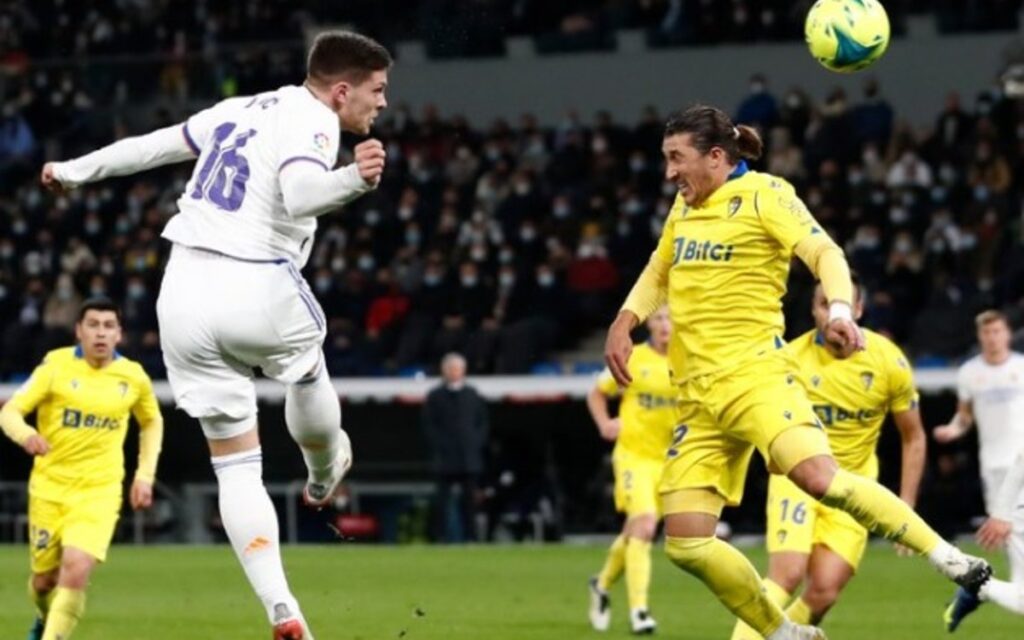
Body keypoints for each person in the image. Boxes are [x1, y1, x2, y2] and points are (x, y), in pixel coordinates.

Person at [39, 31, 392, 640]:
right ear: (341, 91)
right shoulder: (315, 121)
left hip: (181, 294)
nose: (382, 104)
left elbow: (150, 148)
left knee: (235, 467)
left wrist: (74, 171)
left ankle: (281, 607)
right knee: (307, 363)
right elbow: (302, 193)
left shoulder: (240, 109)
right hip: (254, 280)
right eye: (377, 90)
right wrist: (354, 179)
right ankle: (321, 470)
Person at [602, 104, 991, 640]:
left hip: (754, 376)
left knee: (816, 477)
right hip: (696, 397)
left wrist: (835, 309)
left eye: (677, 159)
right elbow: (658, 269)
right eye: (666, 159)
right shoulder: (685, 204)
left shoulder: (768, 195)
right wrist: (625, 321)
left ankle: (947, 557)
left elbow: (824, 251)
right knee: (686, 544)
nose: (669, 172)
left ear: (716, 157)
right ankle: (783, 633)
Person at [731, 276, 927, 638]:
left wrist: (906, 503)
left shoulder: (888, 361)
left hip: (855, 484)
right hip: (797, 477)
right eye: (823, 304)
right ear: (814, 310)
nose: (832, 314)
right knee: (787, 573)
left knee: (823, 591)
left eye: (841, 305)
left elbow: (913, 436)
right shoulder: (789, 359)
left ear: (858, 310)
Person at [0, 298, 163, 640]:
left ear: (119, 334)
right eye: (93, 325)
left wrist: (144, 475)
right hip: (49, 489)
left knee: (75, 569)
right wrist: (26, 435)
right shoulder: (54, 367)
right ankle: (45, 617)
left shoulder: (133, 377)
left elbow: (151, 422)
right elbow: (10, 411)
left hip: (98, 491)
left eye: (108, 326)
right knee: (44, 581)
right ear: (79, 331)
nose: (100, 333)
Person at [587, 305, 675, 634]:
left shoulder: (688, 362)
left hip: (669, 461)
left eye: (671, 318)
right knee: (646, 524)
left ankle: (601, 583)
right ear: (650, 324)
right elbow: (597, 393)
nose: (665, 325)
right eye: (659, 319)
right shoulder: (634, 357)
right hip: (633, 456)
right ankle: (639, 610)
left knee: (635, 532)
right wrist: (605, 423)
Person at [937, 310, 1024, 630]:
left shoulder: (1021, 368)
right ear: (980, 336)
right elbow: (964, 417)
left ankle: (977, 587)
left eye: (997, 331)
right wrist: (952, 429)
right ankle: (978, 587)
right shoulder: (970, 373)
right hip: (1002, 474)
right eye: (986, 333)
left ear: (1007, 334)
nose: (992, 338)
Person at [421, 352, 490, 542]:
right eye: (450, 368)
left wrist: (475, 442)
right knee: (441, 502)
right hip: (444, 458)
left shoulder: (472, 394)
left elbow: (482, 423)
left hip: (469, 458)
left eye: (457, 369)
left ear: (463, 371)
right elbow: (428, 425)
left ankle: (472, 538)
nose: (454, 372)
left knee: (470, 502)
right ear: (444, 370)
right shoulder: (435, 396)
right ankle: (439, 537)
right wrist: (439, 445)